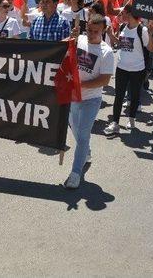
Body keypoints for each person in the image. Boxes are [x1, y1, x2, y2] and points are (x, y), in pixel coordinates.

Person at [64, 14, 114, 189]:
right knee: (77, 133)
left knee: (83, 135)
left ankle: (75, 173)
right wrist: (72, 37)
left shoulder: (106, 52)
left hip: (91, 100)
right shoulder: (81, 40)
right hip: (72, 98)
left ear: (103, 31)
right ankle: (86, 153)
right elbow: (62, 47)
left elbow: (104, 80)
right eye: (89, 30)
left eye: (96, 31)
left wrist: (80, 85)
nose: (92, 34)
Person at [105, 5, 153, 134]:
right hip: (122, 67)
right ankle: (115, 122)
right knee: (119, 96)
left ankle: (131, 119)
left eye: (123, 13)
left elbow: (151, 48)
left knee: (134, 95)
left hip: (137, 69)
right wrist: (111, 36)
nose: (120, 15)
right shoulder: (123, 27)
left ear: (129, 14)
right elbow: (120, 44)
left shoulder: (142, 30)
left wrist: (150, 35)